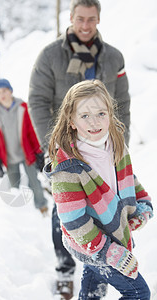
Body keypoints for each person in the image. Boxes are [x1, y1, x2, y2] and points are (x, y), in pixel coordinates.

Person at [28, 0, 131, 297]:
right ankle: (65, 268)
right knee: (66, 212)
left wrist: (119, 143)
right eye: (80, 19)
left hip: (103, 147)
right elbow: (37, 101)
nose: (86, 26)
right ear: (71, 18)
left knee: (101, 210)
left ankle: (96, 270)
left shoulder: (113, 57)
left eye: (92, 19)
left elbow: (122, 103)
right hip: (66, 148)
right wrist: (54, 146)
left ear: (99, 19)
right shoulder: (50, 56)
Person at [45, 79, 153, 299]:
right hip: (92, 242)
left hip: (112, 234)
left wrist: (142, 201)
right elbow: (75, 222)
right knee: (139, 293)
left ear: (110, 113)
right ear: (72, 121)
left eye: (101, 113)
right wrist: (109, 252)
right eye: (85, 115)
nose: (94, 122)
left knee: (93, 289)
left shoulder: (113, 141)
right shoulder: (67, 167)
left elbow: (126, 175)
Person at [0, 78, 48, 215]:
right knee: (14, 186)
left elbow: (32, 131)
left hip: (27, 154)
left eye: (4, 90)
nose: (2, 94)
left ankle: (42, 206)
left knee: (34, 183)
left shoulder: (22, 108)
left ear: (10, 91)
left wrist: (39, 152)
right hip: (9, 156)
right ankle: (20, 213)